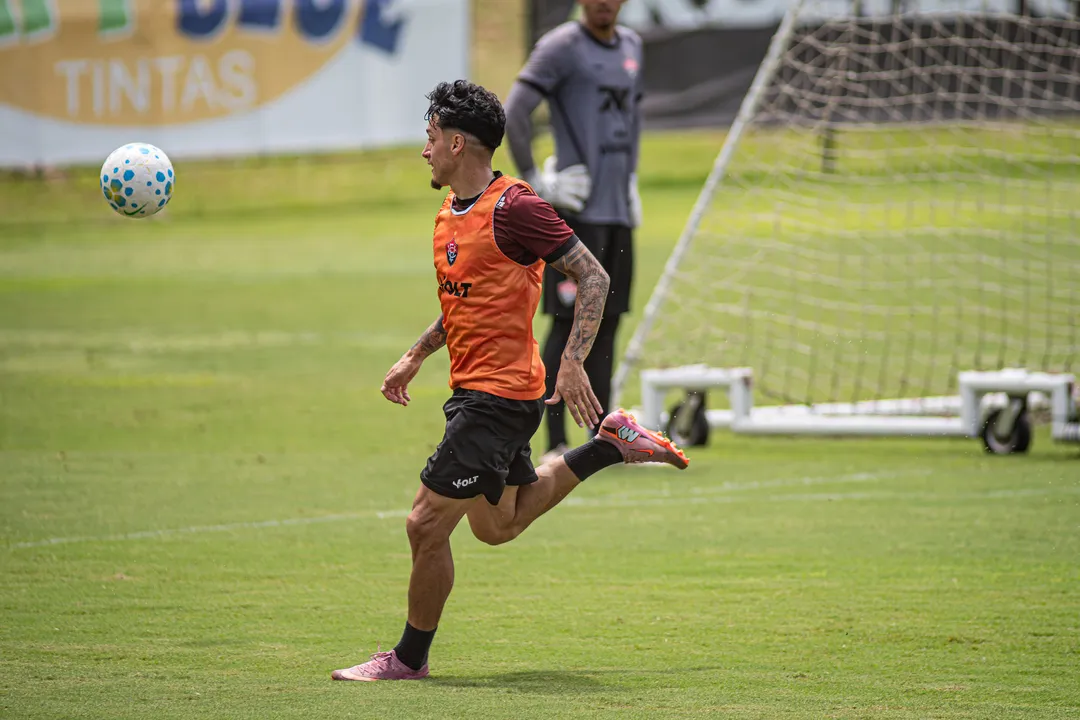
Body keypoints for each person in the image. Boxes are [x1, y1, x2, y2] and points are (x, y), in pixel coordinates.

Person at [330, 80, 687, 682]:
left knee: (424, 522)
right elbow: (461, 303)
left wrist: (572, 360)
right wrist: (416, 355)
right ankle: (610, 443)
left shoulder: (515, 206)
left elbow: (593, 278)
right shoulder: (450, 212)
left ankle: (408, 659)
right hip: (476, 393)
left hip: (498, 398)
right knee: (498, 525)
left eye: (431, 137)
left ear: (458, 142)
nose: (425, 150)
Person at [504, 0, 644, 463]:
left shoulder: (631, 46)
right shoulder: (561, 45)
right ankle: (553, 444)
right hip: (577, 211)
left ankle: (600, 443)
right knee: (567, 325)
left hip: (618, 212)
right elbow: (516, 112)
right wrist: (535, 181)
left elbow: (631, 120)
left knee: (609, 323)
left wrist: (631, 179)